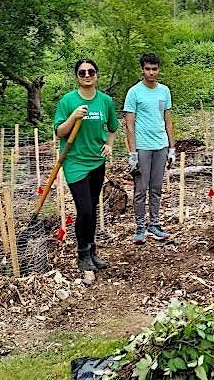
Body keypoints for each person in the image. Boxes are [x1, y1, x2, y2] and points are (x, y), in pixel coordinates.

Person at [54, 58, 118, 272]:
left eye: (91, 71)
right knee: (84, 209)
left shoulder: (105, 101)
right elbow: (59, 132)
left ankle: (92, 252)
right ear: (77, 77)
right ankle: (82, 253)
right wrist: (73, 116)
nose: (87, 75)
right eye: (82, 73)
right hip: (74, 162)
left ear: (97, 74)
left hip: (97, 161)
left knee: (92, 208)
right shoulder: (68, 100)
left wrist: (108, 145)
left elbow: (112, 126)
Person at [124, 53, 176, 244]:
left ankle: (154, 224)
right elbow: (129, 124)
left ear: (158, 69)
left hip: (160, 146)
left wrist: (172, 147)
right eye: (148, 69)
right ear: (142, 70)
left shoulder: (164, 91)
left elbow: (168, 120)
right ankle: (140, 227)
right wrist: (132, 153)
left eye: (154, 69)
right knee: (140, 189)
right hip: (143, 147)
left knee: (156, 188)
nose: (151, 72)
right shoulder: (134, 92)